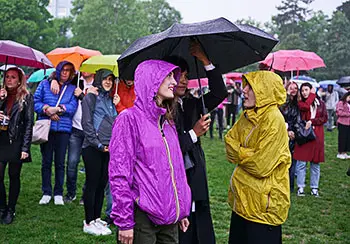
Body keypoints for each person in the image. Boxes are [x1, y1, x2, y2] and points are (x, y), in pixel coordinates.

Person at [109, 60, 191, 244]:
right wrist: (124, 221)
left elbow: (176, 170)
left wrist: (181, 208)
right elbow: (119, 173)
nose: (174, 82)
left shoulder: (167, 122)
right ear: (151, 80)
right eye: (168, 76)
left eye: (174, 77)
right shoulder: (129, 120)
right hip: (142, 218)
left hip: (170, 217)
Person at [166, 41, 227, 244]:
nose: (184, 81)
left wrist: (205, 60)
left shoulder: (192, 103)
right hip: (174, 175)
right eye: (179, 76)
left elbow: (219, 93)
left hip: (195, 171)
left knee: (198, 220)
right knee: (180, 224)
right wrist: (194, 133)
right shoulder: (160, 111)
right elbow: (168, 149)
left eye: (186, 76)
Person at [225, 71, 291, 244]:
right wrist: (250, 153)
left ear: (264, 91)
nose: (244, 91)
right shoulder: (247, 115)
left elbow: (261, 166)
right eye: (245, 86)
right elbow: (229, 143)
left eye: (250, 87)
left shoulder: (273, 120)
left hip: (263, 209)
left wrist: (241, 153)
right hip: (241, 202)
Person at [81, 69, 119, 235]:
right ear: (98, 79)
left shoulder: (110, 99)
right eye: (105, 79)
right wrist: (97, 145)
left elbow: (113, 123)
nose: (108, 82)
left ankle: (96, 218)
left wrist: (116, 106)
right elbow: (87, 124)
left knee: (101, 184)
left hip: (107, 148)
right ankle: (88, 222)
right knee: (92, 184)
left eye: (111, 79)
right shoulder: (91, 97)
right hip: (92, 148)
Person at [34, 61, 78, 205]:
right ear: (58, 70)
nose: (65, 73)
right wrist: (47, 109)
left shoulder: (72, 88)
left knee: (60, 163)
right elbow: (35, 102)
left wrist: (58, 109)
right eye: (63, 70)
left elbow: (72, 106)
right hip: (47, 129)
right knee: (46, 161)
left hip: (63, 130)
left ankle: (58, 192)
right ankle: (46, 191)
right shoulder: (45, 85)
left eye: (68, 71)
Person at [50, 71, 96, 203]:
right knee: (71, 163)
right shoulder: (76, 81)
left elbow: (95, 107)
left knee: (89, 166)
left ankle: (85, 195)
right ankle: (71, 193)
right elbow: (59, 77)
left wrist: (82, 95)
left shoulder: (98, 84)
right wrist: (53, 79)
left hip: (90, 131)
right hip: (75, 129)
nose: (84, 69)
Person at [0, 67, 34, 224]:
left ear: (20, 80)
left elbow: (28, 124)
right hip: (1, 140)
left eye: (13, 77)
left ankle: (10, 209)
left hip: (16, 142)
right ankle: (2, 206)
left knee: (14, 176)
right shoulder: (1, 95)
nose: (9, 79)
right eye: (7, 76)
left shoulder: (26, 97)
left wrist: (25, 148)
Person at [293, 82, 327, 197]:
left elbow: (324, 118)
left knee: (315, 164)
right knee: (301, 162)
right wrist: (312, 95)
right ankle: (301, 187)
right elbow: (306, 107)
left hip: (317, 135)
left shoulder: (320, 103)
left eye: (306, 90)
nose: (304, 92)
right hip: (304, 135)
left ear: (311, 90)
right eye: (302, 90)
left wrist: (312, 121)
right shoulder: (301, 103)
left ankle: (314, 188)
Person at [279, 81, 300, 193]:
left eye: (295, 88)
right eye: (291, 88)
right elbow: (279, 118)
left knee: (292, 162)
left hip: (294, 135)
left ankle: (290, 186)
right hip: (283, 134)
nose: (293, 90)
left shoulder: (298, 104)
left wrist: (295, 131)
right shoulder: (283, 103)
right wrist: (287, 130)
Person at [335, 92, 350, 159]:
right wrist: (348, 114)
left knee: (347, 138)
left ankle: (345, 152)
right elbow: (339, 112)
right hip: (342, 123)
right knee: (342, 138)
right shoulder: (341, 103)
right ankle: (340, 152)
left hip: (348, 123)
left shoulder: (348, 103)